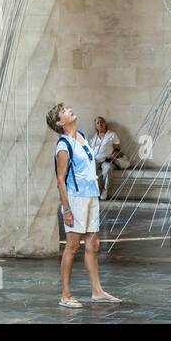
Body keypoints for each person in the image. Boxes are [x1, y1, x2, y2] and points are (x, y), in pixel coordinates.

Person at [47, 102, 120, 308]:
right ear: (60, 122)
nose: (69, 110)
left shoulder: (80, 135)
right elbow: (60, 180)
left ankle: (97, 291)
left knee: (93, 245)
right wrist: (67, 209)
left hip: (91, 196)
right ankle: (66, 295)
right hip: (75, 199)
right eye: (64, 112)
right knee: (72, 247)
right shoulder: (63, 145)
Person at [90, 116, 122, 201]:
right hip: (95, 160)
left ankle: (105, 190)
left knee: (107, 169)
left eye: (101, 122)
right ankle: (95, 190)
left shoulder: (111, 134)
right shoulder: (94, 137)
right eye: (98, 123)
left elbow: (118, 149)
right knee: (90, 169)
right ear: (96, 126)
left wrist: (112, 156)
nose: (100, 124)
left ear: (105, 124)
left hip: (107, 160)